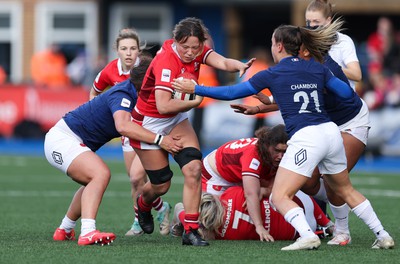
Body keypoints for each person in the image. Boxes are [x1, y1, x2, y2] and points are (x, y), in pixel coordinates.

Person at [172, 20, 395, 250]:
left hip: (308, 136)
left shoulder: (273, 73)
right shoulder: (318, 68)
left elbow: (231, 92)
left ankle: (308, 235)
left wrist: (195, 88)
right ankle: (382, 234)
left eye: (271, 43)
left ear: (278, 46)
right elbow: (348, 95)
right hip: (331, 132)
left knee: (280, 196)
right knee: (344, 189)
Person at [231, 39, 371, 246]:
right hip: (326, 127)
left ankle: (339, 232)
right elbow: (297, 99)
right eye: (309, 21)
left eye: (315, 22)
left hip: (349, 122)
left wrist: (197, 89)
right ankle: (367, 232)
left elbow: (353, 84)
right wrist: (263, 107)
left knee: (335, 185)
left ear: (307, 48)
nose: (297, 52)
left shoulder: (323, 67)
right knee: (309, 181)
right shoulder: (308, 68)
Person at [129, 17, 254, 246]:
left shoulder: (197, 50)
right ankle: (143, 205)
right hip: (148, 122)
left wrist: (239, 65)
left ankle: (191, 230)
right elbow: (163, 105)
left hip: (175, 119)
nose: (190, 52)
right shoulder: (167, 60)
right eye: (185, 47)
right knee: (161, 185)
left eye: (195, 48)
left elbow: (222, 61)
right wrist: (195, 101)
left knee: (194, 168)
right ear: (176, 41)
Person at [44, 56, 182, 246]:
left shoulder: (140, 95)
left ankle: (65, 229)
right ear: (149, 81)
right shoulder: (124, 94)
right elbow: (123, 126)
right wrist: (161, 140)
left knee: (91, 182)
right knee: (100, 174)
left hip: (68, 140)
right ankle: (88, 232)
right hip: (61, 140)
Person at [90, 28, 171, 237]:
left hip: (149, 128)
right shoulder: (110, 70)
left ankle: (141, 219)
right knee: (135, 181)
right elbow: (95, 91)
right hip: (128, 131)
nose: (128, 53)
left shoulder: (148, 68)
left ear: (139, 50)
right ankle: (157, 210)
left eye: (133, 48)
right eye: (124, 48)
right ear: (116, 50)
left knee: (137, 177)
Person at [201, 125, 288, 241]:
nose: (280, 156)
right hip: (215, 176)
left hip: (237, 175)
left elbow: (282, 186)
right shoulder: (253, 156)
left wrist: (265, 191)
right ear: (267, 145)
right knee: (207, 230)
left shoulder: (271, 153)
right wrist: (259, 226)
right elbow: (251, 194)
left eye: (284, 151)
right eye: (277, 151)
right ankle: (180, 211)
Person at [170, 186, 333, 241]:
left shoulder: (221, 235)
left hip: (302, 231)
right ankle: (328, 223)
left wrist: (185, 220)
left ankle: (326, 226)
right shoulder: (232, 193)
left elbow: (179, 208)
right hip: (303, 203)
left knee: (179, 207)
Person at [305, 0, 362, 92]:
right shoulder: (305, 42)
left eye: (316, 21)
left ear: (328, 20)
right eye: (308, 22)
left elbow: (357, 75)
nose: (311, 26)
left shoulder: (342, 41)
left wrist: (328, 68)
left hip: (345, 101)